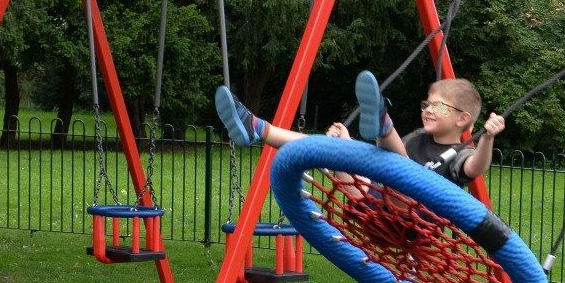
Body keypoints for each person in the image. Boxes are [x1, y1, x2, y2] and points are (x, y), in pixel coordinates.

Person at [214, 70, 506, 187]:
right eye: (426, 104)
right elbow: (383, 162)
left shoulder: (461, 153)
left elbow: (476, 167)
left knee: (404, 171)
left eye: (438, 107)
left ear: (461, 119)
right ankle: (258, 129)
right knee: (331, 148)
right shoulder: (418, 138)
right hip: (375, 204)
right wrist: (348, 143)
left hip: (416, 222)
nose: (428, 110)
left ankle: (382, 124)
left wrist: (488, 138)